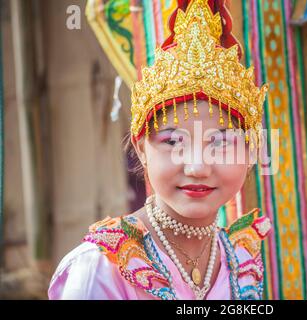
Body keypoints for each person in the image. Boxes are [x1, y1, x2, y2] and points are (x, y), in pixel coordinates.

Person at [48, 0, 271, 300]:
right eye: (173, 142)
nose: (198, 167)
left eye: (220, 143)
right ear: (141, 149)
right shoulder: (101, 268)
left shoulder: (241, 263)